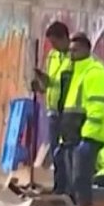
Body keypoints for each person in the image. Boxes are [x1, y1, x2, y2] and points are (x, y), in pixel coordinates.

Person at [61, 32, 104, 206]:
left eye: (75, 50)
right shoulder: (77, 72)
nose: (71, 54)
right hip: (73, 136)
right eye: (70, 50)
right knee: (73, 182)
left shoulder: (95, 73)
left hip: (87, 136)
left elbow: (98, 108)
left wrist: (87, 137)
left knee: (80, 180)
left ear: (86, 49)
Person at [32, 22, 74, 193]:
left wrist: (49, 82)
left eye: (56, 42)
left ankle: (67, 189)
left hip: (67, 112)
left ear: (65, 38)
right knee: (56, 153)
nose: (54, 47)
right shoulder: (52, 56)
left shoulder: (73, 58)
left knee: (66, 154)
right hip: (53, 110)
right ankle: (59, 187)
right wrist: (41, 82)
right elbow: (50, 84)